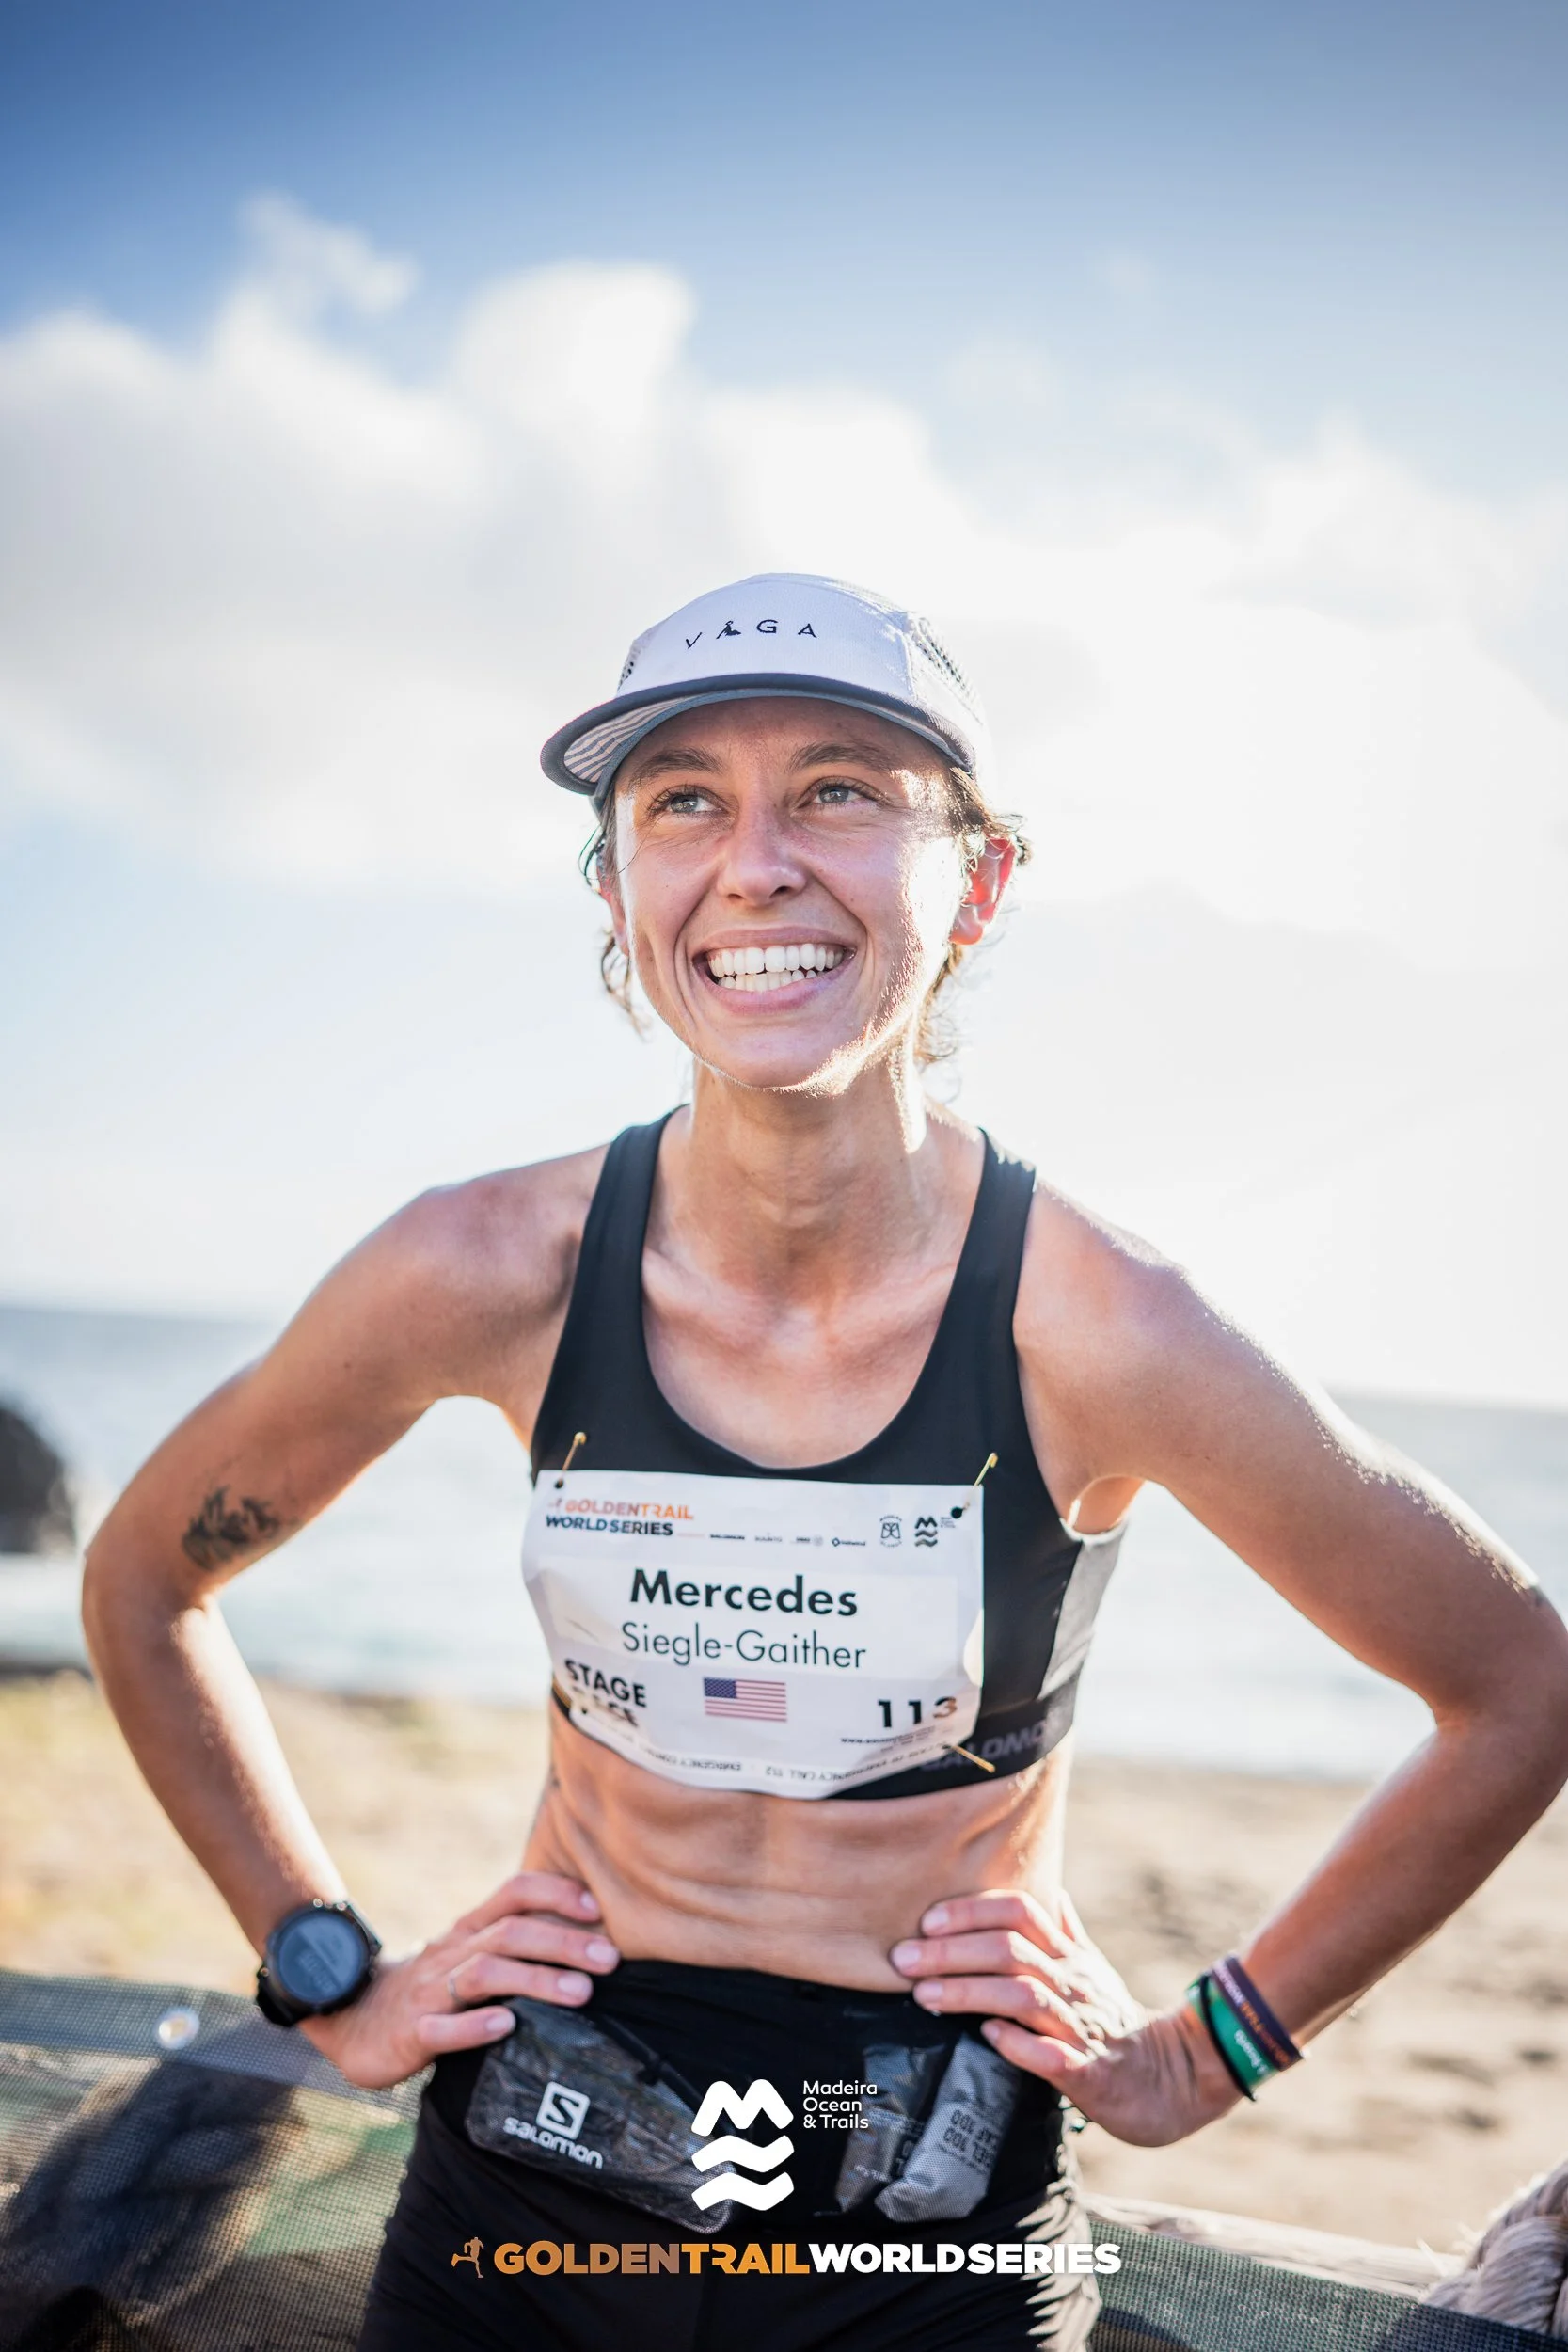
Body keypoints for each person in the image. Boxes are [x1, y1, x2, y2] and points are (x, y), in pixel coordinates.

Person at [83, 573, 1568, 2352]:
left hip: (930, 2216)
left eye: (841, 790)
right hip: (530, 2169)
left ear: (980, 884)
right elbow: (146, 1580)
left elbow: (1513, 1687)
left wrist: (1200, 2051)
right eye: (681, 800)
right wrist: (327, 1968)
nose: (756, 861)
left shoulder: (1100, 1328)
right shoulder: (487, 1270)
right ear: (620, 889)